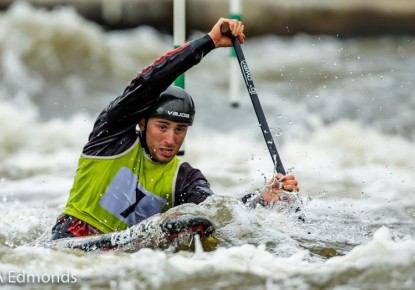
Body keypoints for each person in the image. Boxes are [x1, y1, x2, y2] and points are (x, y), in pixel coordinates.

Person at [51, 18, 300, 240]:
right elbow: (149, 81)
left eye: (180, 130)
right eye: (162, 127)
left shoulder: (185, 178)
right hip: (72, 239)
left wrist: (263, 198)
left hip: (124, 252)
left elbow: (219, 212)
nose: (170, 140)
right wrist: (209, 42)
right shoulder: (109, 137)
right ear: (142, 122)